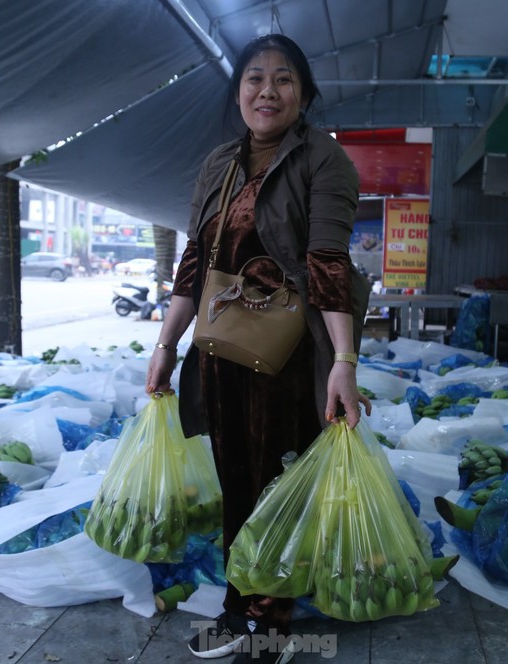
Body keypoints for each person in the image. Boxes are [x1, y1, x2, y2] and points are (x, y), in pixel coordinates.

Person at [145, 34, 371, 664]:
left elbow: (328, 263)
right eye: (254, 78)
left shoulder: (323, 162)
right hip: (222, 351)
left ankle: (270, 622)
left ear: (304, 94)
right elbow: (196, 260)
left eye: (283, 79)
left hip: (289, 359)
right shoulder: (220, 163)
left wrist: (344, 365)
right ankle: (237, 607)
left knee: (277, 482)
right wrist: (167, 342)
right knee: (236, 481)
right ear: (238, 90)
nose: (267, 91)